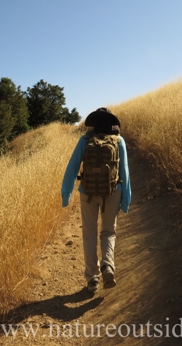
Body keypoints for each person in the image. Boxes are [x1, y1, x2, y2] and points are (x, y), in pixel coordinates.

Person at [61, 107, 131, 293]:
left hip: (88, 192)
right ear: (112, 122)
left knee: (89, 233)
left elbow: (72, 167)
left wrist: (65, 194)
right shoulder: (119, 141)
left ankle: (92, 278)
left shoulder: (85, 140)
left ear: (94, 123)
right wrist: (126, 200)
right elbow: (125, 173)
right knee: (108, 232)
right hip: (112, 192)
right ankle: (108, 266)